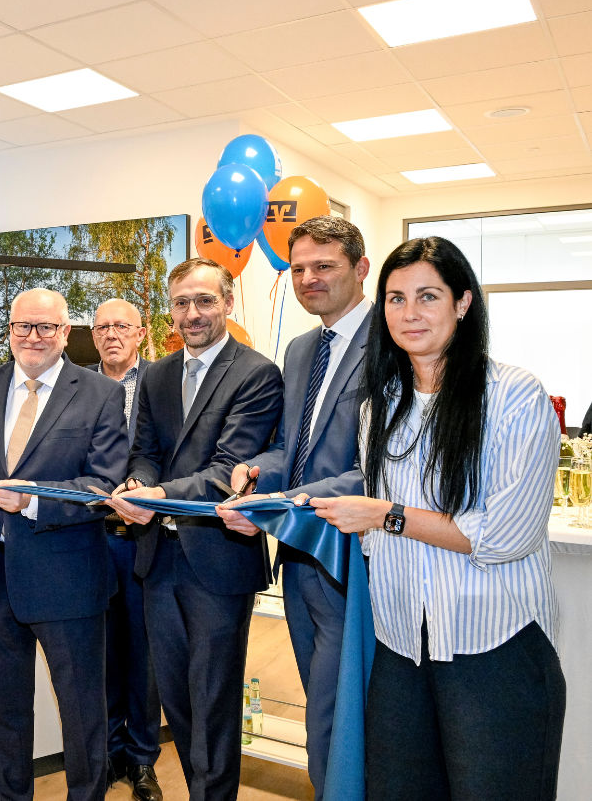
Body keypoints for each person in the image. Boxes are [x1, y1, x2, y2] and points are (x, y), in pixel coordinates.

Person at [310, 237, 565, 800]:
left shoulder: (513, 395)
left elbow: (504, 535)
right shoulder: (381, 404)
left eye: (428, 296)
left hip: (495, 647)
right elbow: (376, 543)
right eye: (396, 299)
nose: (410, 313)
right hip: (403, 647)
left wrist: (387, 515)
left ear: (463, 304)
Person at [101, 258, 283, 801]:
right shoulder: (157, 374)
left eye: (204, 300)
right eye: (181, 302)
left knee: (215, 701)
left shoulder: (256, 374)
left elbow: (228, 468)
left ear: (227, 303)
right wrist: (137, 483)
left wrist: (155, 497)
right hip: (159, 561)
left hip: (217, 561)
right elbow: (145, 453)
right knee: (176, 698)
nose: (193, 313)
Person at [0, 288, 128, 801]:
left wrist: (30, 502)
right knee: (3, 712)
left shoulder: (98, 393)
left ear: (65, 333)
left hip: (68, 579)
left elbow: (103, 486)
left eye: (46, 328)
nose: (33, 337)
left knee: (82, 714)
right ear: (9, 331)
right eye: (23, 327)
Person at [215, 216, 371, 800]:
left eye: (323, 266)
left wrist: (288, 498)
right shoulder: (302, 347)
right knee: (320, 707)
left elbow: (382, 465)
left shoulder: (393, 340)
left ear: (360, 269)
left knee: (347, 711)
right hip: (302, 556)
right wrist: (259, 472)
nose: (308, 278)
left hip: (359, 557)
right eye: (299, 267)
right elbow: (291, 446)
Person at [89, 299, 161, 801]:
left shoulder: (160, 383)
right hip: (89, 541)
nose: (112, 334)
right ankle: (109, 751)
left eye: (122, 326)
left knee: (143, 655)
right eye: (102, 326)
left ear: (141, 333)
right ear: (92, 336)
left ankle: (141, 760)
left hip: (143, 540)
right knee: (99, 655)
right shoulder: (76, 386)